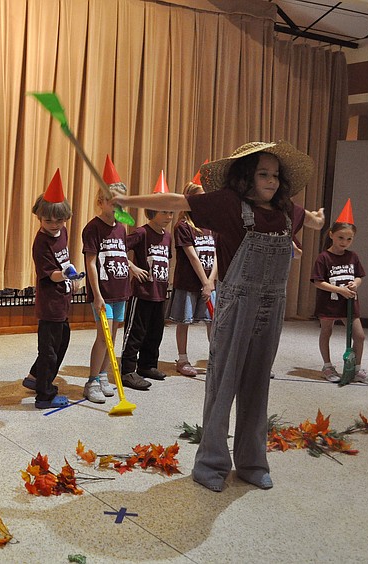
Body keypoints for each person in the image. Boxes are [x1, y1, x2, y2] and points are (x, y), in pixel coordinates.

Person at [113, 141, 325, 492]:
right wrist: (128, 201)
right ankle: (211, 463)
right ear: (246, 177)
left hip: (272, 309)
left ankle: (252, 462)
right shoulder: (229, 205)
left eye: (275, 175)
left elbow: (312, 220)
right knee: (223, 383)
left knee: (258, 385)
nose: (271, 181)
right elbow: (176, 203)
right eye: (262, 174)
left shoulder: (288, 211)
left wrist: (317, 219)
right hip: (236, 305)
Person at [81, 156, 144, 404]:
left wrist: (131, 266)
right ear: (101, 202)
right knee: (102, 336)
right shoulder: (93, 228)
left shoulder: (120, 227)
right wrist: (96, 295)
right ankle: (92, 381)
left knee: (114, 336)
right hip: (103, 292)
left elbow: (117, 253)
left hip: (121, 291)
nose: (117, 208)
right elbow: (91, 262)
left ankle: (104, 375)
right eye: (112, 202)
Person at [26, 169, 82, 409]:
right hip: (50, 303)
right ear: (39, 217)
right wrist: (66, 274)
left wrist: (73, 274)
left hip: (62, 298)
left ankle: (34, 377)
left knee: (62, 340)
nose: (53, 224)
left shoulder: (63, 232)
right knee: (49, 349)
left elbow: (64, 259)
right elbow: (50, 273)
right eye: (48, 220)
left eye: (58, 220)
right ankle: (44, 395)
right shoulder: (41, 242)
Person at [311, 199, 368, 385]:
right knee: (326, 332)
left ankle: (356, 369)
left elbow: (359, 276)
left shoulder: (353, 256)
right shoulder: (324, 257)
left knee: (360, 336)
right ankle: (327, 366)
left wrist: (355, 284)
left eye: (349, 239)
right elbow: (318, 281)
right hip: (329, 303)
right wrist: (339, 290)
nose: (344, 242)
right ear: (331, 235)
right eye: (341, 237)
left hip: (349, 303)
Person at [119, 171, 173, 386]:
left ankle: (147, 364)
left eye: (171, 212)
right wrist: (132, 267)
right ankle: (127, 370)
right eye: (164, 212)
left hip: (159, 293)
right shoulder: (141, 233)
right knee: (136, 332)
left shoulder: (168, 236)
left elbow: (166, 261)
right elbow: (118, 249)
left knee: (155, 331)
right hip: (142, 293)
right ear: (151, 212)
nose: (169, 217)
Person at [168, 178, 217, 377]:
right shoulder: (183, 226)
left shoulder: (212, 225)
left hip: (210, 283)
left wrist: (211, 281)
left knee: (212, 321)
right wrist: (204, 282)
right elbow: (192, 256)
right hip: (189, 282)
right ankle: (182, 358)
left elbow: (217, 255)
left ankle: (216, 357)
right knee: (184, 321)